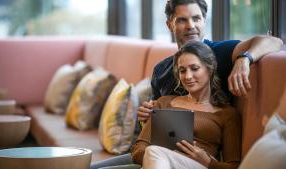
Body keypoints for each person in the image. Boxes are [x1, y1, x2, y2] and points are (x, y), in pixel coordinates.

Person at [90, 0, 282, 168]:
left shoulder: (221, 53)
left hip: (193, 159)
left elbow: (274, 41)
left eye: (196, 18)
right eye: (182, 20)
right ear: (169, 24)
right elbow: (154, 129)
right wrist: (146, 117)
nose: (191, 26)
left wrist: (244, 59)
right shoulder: (162, 70)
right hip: (157, 153)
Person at [132, 40, 241, 169]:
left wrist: (208, 162)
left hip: (200, 166)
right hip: (157, 161)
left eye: (194, 69)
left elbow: (235, 166)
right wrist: (168, 154)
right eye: (182, 71)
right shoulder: (164, 102)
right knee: (154, 152)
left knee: (154, 151)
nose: (188, 76)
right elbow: (137, 152)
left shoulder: (227, 113)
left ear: (210, 69)